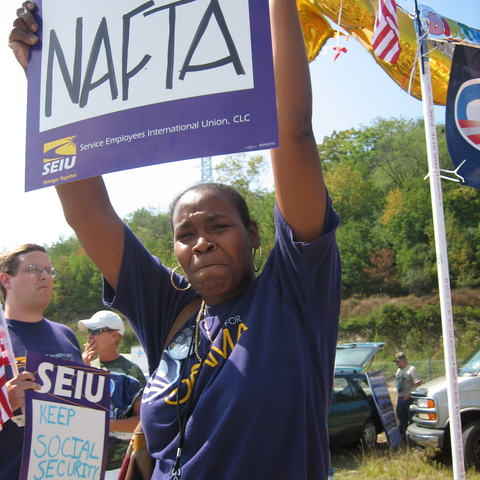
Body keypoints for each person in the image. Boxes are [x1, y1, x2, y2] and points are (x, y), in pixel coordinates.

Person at [9, 0, 342, 478]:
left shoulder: (293, 292)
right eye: (186, 235)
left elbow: (293, 134)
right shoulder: (169, 307)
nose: (201, 243)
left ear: (252, 234)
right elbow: (89, 212)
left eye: (218, 226)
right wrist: (46, 82)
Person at [0, 244, 83, 480]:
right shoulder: (1, 341)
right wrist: (5, 402)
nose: (45, 275)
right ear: (6, 280)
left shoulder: (66, 335)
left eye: (49, 270)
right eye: (34, 269)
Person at [79, 310, 146, 479]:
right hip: (82, 461)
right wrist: (81, 368)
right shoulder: (84, 366)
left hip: (117, 465)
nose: (89, 337)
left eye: (95, 331)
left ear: (114, 336)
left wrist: (106, 424)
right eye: (88, 331)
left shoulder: (131, 373)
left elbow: (143, 422)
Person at [394, 352, 422, 436]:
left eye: (398, 361)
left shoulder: (411, 369)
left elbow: (418, 383)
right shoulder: (399, 370)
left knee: (411, 418)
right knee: (401, 418)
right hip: (400, 399)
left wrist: (409, 394)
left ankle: (413, 437)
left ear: (403, 360)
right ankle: (403, 437)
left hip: (409, 399)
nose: (396, 363)